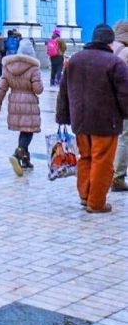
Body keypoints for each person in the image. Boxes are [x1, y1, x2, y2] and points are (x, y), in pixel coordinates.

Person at [56, 23, 128, 214]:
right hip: (106, 122)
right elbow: (125, 94)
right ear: (110, 42)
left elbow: (63, 92)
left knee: (85, 157)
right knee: (102, 161)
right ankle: (96, 203)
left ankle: (85, 196)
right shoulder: (115, 63)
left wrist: (63, 116)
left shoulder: (74, 60)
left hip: (80, 121)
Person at [0, 38, 44, 175]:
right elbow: (38, 89)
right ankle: (17, 154)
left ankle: (25, 161)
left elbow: (2, 88)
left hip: (14, 104)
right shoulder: (33, 68)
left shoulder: (8, 67)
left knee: (24, 130)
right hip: (29, 104)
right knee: (28, 131)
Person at [109, 20, 128, 192]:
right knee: (124, 138)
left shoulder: (109, 48)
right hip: (123, 100)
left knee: (111, 138)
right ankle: (118, 177)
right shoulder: (126, 52)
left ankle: (109, 173)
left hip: (106, 101)